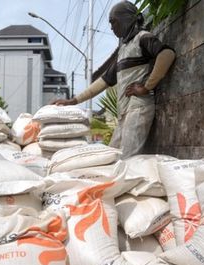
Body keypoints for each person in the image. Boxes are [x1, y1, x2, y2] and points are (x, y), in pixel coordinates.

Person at [52, 0, 176, 159]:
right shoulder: (124, 49)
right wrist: (74, 101)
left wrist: (146, 87)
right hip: (125, 113)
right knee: (112, 155)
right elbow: (103, 81)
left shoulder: (143, 38)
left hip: (138, 108)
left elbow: (167, 54)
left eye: (113, 22)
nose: (111, 28)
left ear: (126, 19)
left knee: (126, 158)